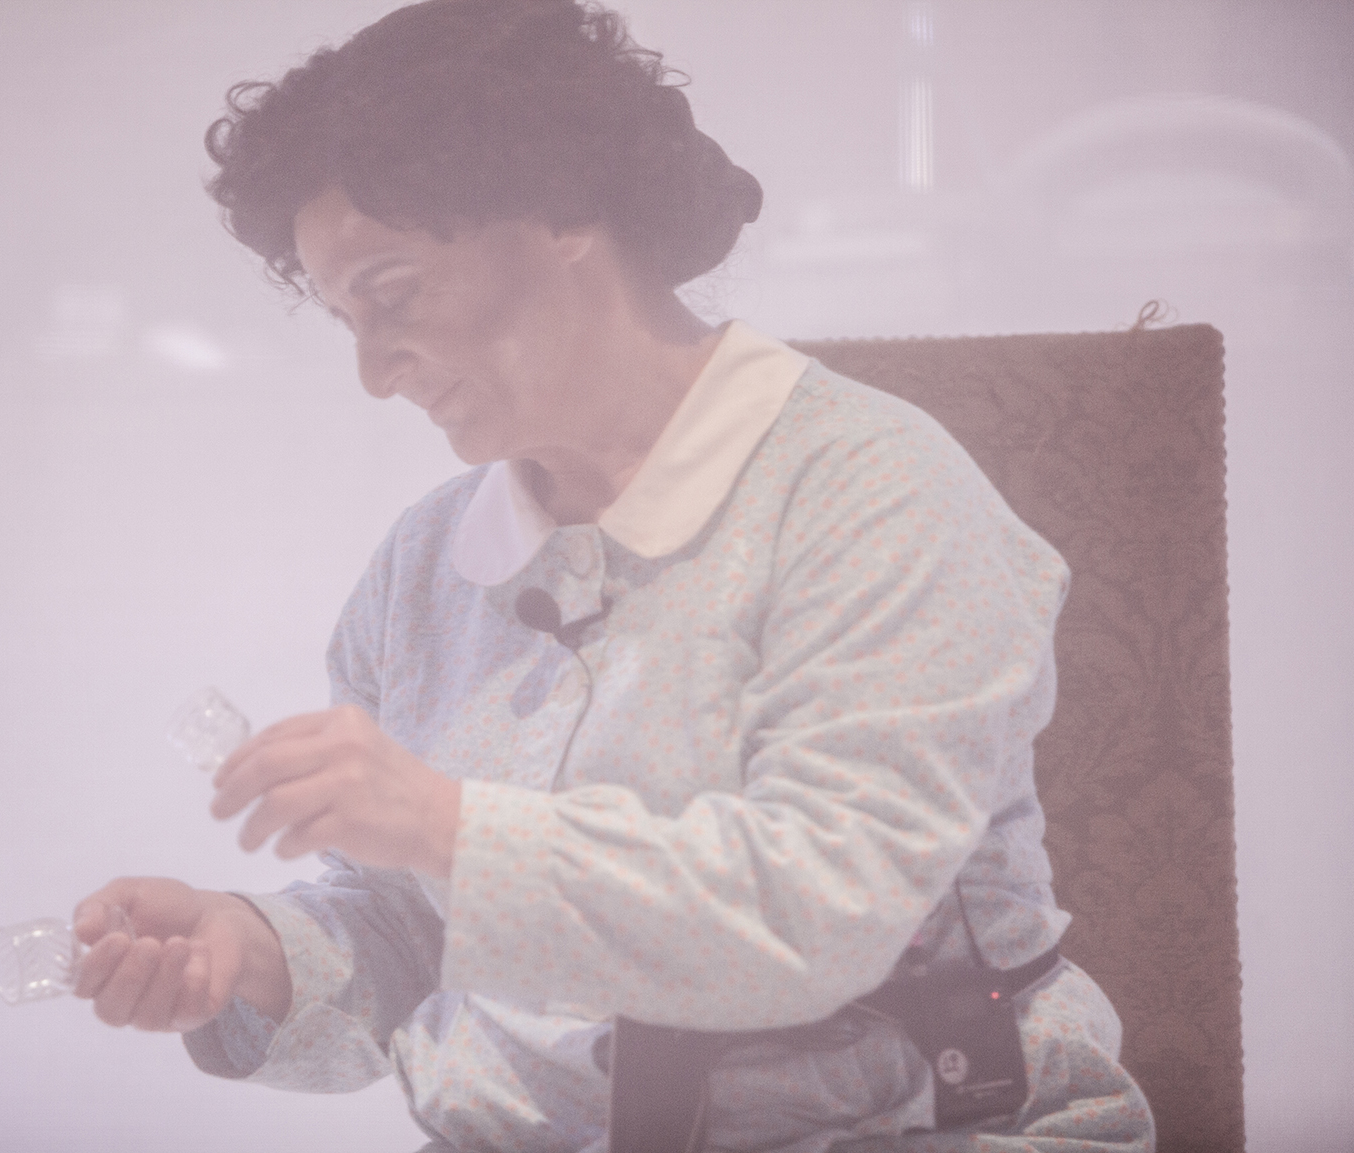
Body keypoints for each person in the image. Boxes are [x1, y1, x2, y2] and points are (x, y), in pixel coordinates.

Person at [69, 2, 1156, 1150]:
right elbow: (416, 923)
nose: (374, 372)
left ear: (563, 209)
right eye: (346, 319)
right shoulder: (421, 569)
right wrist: (251, 950)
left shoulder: (871, 492)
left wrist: (442, 823)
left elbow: (825, 913)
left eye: (392, 294)